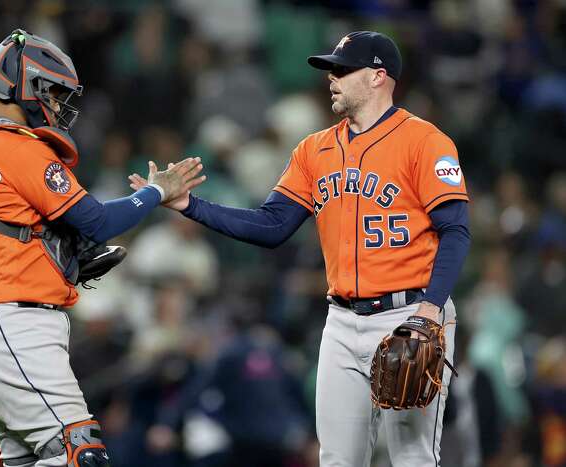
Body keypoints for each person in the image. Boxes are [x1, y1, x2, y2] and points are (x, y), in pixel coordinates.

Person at [130, 30, 471, 466]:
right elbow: (271, 226)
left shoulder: (426, 142)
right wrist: (188, 205)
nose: (332, 78)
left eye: (343, 70)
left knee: (413, 459)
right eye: (331, 70)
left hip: (410, 317)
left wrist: (430, 311)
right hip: (342, 322)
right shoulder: (314, 150)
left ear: (377, 77)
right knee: (336, 460)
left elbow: (456, 231)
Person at [0, 29, 204, 467]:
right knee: (82, 454)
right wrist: (156, 191)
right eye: (54, 93)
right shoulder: (14, 145)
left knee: (31, 459)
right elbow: (97, 221)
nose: (58, 106)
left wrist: (56, 253)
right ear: (26, 84)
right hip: (11, 323)